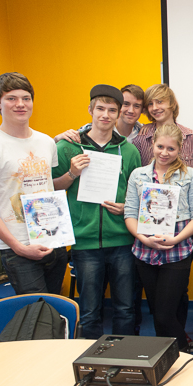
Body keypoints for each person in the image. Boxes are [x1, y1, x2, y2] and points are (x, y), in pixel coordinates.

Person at [52, 85, 142, 339]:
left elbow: (137, 192)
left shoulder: (129, 150)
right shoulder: (67, 147)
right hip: (85, 241)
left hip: (122, 241)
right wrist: (72, 173)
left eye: (112, 110)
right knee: (90, 311)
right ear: (90, 110)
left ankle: (123, 354)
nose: (105, 115)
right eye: (100, 108)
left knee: (125, 309)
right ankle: (91, 357)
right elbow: (52, 188)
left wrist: (126, 208)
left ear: (118, 114)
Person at [0, 73, 68, 295]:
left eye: (26, 98)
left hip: (53, 242)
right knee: (35, 311)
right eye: (11, 98)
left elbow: (46, 188)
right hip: (18, 247)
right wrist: (18, 247)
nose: (20, 104)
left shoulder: (47, 142)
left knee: (55, 307)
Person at [124, 124, 193, 352]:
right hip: (145, 252)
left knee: (164, 314)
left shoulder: (190, 175)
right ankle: (169, 356)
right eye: (160, 146)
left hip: (177, 252)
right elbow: (130, 214)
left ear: (180, 149)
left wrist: (176, 239)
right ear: (152, 144)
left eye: (171, 148)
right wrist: (143, 238)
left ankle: (182, 354)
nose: (164, 153)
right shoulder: (138, 175)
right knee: (160, 312)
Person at [132, 84, 193, 167]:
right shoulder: (140, 140)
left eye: (159, 102)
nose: (154, 108)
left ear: (172, 103)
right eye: (150, 104)